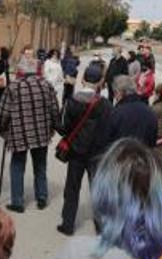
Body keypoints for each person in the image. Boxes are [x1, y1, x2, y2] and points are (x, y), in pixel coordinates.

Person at [0, 56, 60, 213]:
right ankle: (41, 198)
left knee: (17, 166)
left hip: (19, 133)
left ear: (21, 70)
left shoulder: (13, 87)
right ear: (36, 69)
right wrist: (54, 127)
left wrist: (1, 129)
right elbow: (54, 109)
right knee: (40, 166)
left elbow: (4, 113)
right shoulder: (46, 85)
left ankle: (18, 202)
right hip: (41, 133)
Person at [56, 61, 110, 235]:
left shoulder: (72, 102)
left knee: (72, 187)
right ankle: (101, 226)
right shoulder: (105, 105)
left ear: (84, 80)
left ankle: (68, 223)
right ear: (100, 82)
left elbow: (63, 127)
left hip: (76, 152)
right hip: (97, 154)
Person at [98, 75, 160, 154]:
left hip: (118, 161)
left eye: (115, 93)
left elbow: (105, 143)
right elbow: (152, 144)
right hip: (142, 161)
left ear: (119, 93)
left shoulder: (116, 113)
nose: (115, 97)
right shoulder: (151, 113)